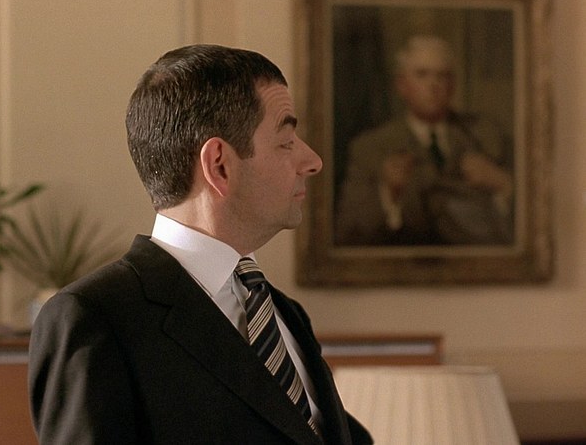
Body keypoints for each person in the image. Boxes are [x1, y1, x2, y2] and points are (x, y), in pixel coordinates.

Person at [28, 44, 372, 444]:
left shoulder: (286, 314)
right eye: (286, 141)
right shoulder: (95, 318)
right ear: (219, 164)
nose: (313, 161)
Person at [335, 35, 514, 246]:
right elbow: (347, 234)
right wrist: (388, 193)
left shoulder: (487, 136)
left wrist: (503, 184)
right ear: (402, 85)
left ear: (453, 85)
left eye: (442, 76)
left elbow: (530, 226)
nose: (433, 85)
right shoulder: (370, 148)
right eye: (422, 75)